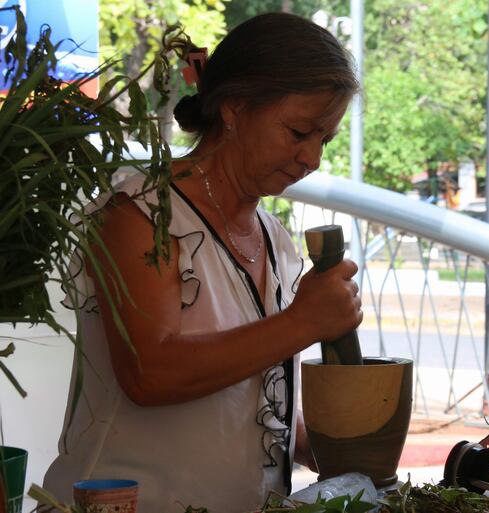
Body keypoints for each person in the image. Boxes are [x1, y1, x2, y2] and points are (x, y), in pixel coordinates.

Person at [44, 12, 362, 513]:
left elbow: (255, 403)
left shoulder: (277, 243)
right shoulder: (141, 215)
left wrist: (351, 447)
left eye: (325, 140)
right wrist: (303, 322)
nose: (312, 159)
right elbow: (151, 373)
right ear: (234, 109)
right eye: (299, 132)